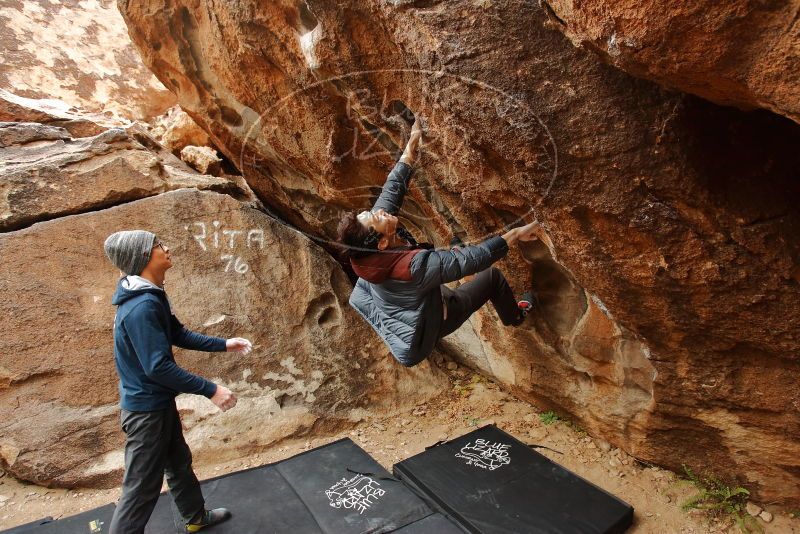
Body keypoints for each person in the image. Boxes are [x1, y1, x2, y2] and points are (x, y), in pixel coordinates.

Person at [337, 118, 544, 368]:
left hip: (402, 305)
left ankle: (448, 278)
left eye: (372, 212)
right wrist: (515, 235)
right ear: (382, 243)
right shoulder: (412, 268)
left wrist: (412, 145)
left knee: (445, 266)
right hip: (426, 327)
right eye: (376, 217)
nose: (379, 212)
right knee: (492, 278)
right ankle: (515, 316)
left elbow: (391, 192)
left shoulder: (364, 249)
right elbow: (470, 261)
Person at [103, 230, 252, 534]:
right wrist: (211, 390)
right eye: (157, 245)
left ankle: (196, 517)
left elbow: (177, 334)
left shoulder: (149, 294)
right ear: (143, 257)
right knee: (140, 490)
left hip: (156, 403)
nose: (166, 247)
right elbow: (158, 367)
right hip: (145, 413)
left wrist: (224, 344)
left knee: (179, 462)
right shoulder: (141, 306)